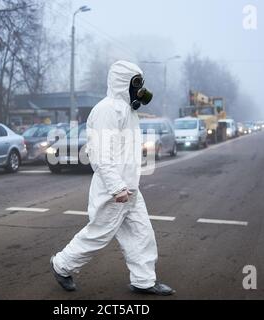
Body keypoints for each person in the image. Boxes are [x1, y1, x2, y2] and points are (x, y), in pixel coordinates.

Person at [51, 60, 175, 296]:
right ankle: (61, 265)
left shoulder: (128, 110)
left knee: (141, 234)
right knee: (98, 234)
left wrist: (127, 186)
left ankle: (143, 281)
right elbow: (101, 155)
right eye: (136, 83)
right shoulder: (107, 110)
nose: (140, 88)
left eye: (141, 83)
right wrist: (117, 187)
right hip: (114, 191)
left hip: (129, 189)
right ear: (123, 82)